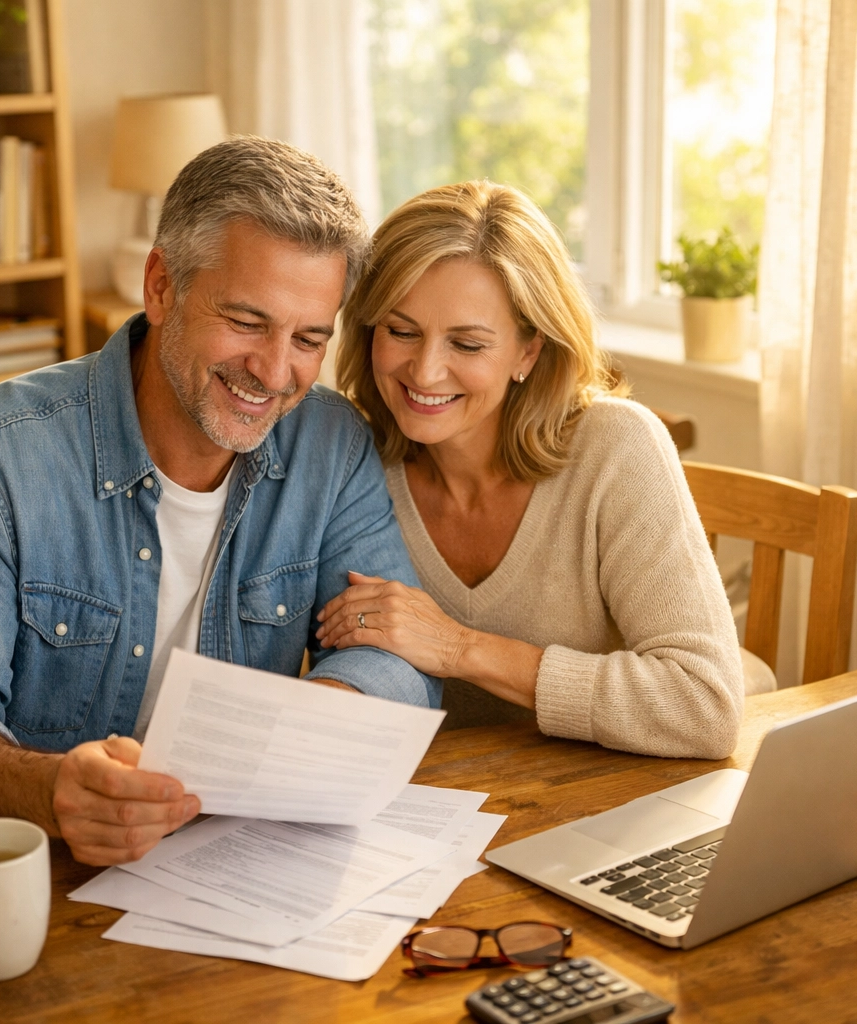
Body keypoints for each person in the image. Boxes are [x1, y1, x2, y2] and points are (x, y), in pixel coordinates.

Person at [0, 136, 441, 862]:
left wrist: (314, 722)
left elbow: (398, 662)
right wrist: (49, 791)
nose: (274, 370)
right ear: (161, 287)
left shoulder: (331, 446)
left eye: (309, 338)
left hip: (206, 864)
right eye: (248, 322)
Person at [316, 180, 743, 759]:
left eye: (467, 344)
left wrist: (458, 647)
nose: (425, 370)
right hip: (443, 807)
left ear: (528, 351)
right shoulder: (349, 465)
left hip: (604, 800)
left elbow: (704, 707)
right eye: (401, 331)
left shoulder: (616, 448)